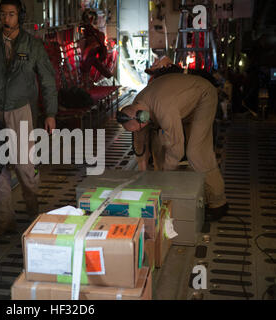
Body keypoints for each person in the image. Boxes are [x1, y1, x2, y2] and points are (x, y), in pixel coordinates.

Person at [0, 0, 58, 237]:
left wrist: (50, 113)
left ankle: (34, 214)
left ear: (19, 16)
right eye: (2, 14)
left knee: (24, 165)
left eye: (11, 14)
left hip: (20, 111)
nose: (6, 19)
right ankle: (5, 222)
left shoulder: (32, 45)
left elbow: (47, 80)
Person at [118, 72, 228, 221]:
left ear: (143, 116)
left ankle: (218, 203)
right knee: (159, 143)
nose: (138, 131)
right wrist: (143, 175)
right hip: (183, 103)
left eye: (139, 127)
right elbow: (140, 143)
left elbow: (176, 148)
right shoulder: (137, 107)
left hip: (203, 96)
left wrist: (165, 179)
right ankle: (162, 193)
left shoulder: (163, 108)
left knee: (196, 152)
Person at [80, 9, 112, 89]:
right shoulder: (92, 32)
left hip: (90, 52)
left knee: (89, 65)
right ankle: (109, 77)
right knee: (90, 65)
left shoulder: (92, 32)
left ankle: (87, 83)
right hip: (89, 52)